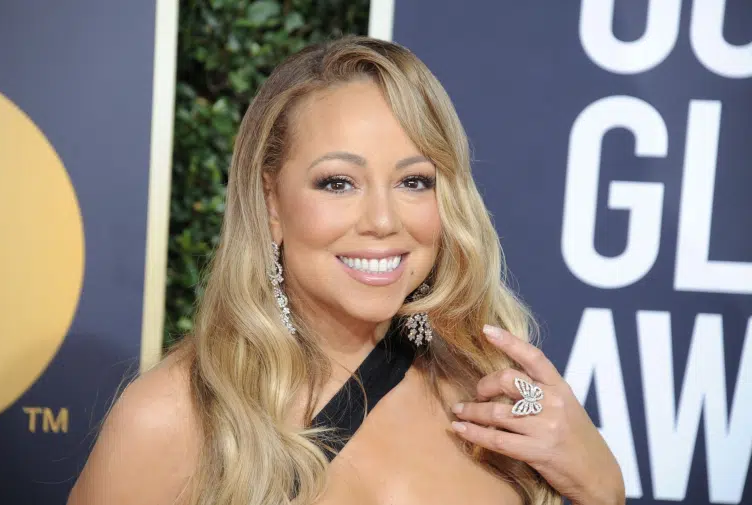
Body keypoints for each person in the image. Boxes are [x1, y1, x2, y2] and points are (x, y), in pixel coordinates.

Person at [67, 36, 624, 505]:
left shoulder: (487, 391)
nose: (382, 220)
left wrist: (600, 484)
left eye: (414, 181)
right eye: (338, 182)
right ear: (271, 202)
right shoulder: (177, 417)